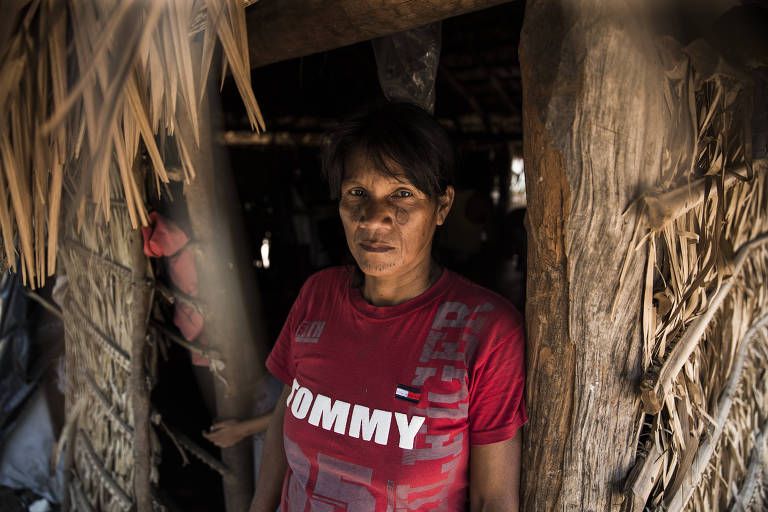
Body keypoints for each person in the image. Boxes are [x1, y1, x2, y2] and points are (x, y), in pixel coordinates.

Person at [250, 102, 526, 511]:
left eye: (402, 194)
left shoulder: (486, 333)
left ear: (443, 206)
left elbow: (493, 499)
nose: (373, 218)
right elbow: (283, 414)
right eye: (357, 193)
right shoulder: (318, 296)